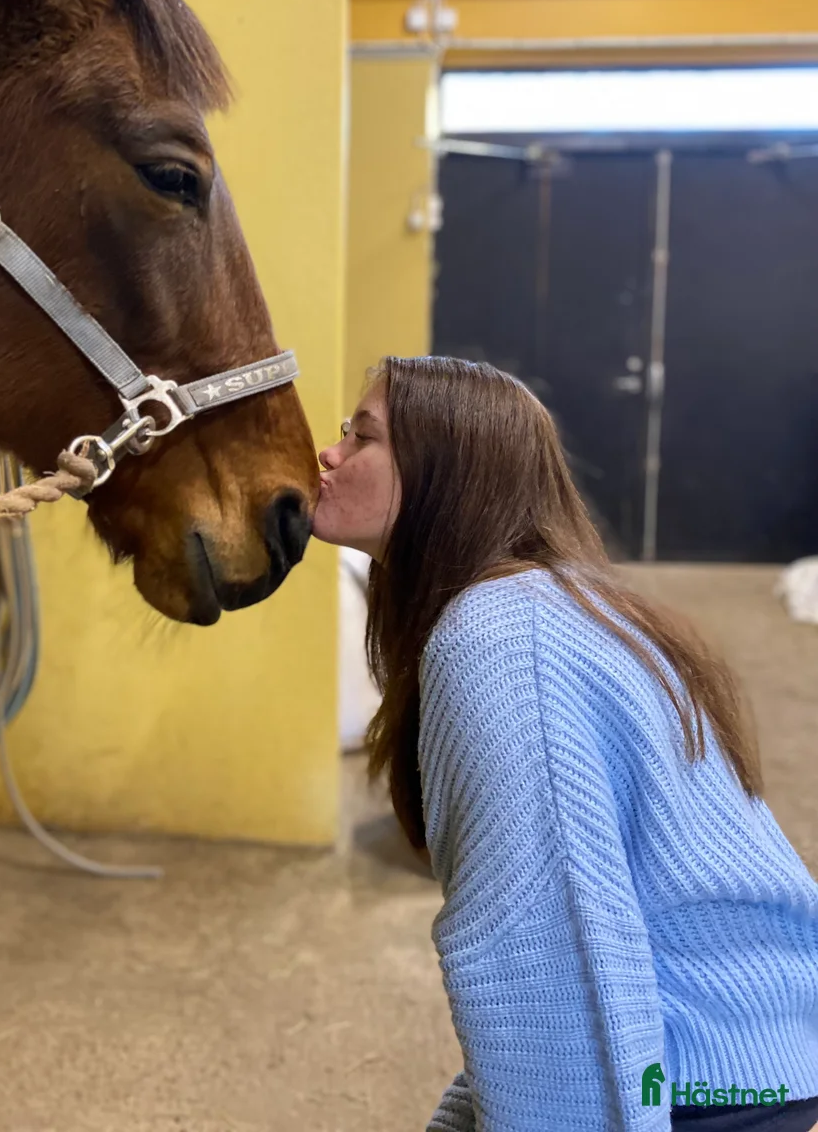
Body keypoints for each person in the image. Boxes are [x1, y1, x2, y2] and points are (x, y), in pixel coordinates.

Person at [312, 356, 818, 1132]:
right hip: (747, 1053)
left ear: (446, 472)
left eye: (363, 437)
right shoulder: (537, 604)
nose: (330, 453)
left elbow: (551, 954)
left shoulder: (500, 638)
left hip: (703, 1086)